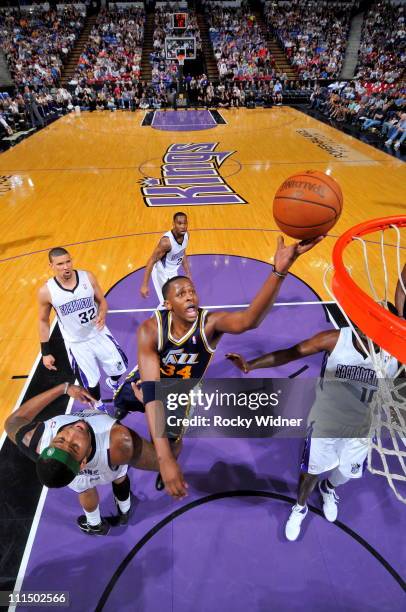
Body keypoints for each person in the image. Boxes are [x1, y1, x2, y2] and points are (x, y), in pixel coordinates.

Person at [117, 235, 323, 500]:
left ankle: (162, 468)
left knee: (173, 442)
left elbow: (249, 321)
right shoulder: (151, 329)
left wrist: (279, 271)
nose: (190, 297)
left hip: (180, 393)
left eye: (192, 291)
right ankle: (126, 414)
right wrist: (162, 452)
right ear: (168, 305)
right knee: (124, 403)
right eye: (181, 294)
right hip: (149, 382)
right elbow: (152, 391)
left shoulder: (210, 324)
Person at [226, 324, 398, 541]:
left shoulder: (395, 354)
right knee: (310, 473)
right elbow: (292, 352)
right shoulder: (334, 340)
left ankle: (328, 488)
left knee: (347, 472)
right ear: (358, 325)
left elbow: (391, 391)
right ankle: (300, 507)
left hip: (361, 427)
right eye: (366, 325)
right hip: (326, 422)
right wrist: (250, 365)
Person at [5, 382, 160, 536]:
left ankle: (95, 524)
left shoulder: (35, 442)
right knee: (119, 477)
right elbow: (161, 461)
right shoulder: (118, 442)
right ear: (83, 463)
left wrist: (63, 388)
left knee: (85, 489)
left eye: (60, 440)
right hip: (109, 459)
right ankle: (125, 511)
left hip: (72, 474)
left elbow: (11, 422)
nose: (71, 433)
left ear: (45, 450)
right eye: (74, 447)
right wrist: (152, 405)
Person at [38, 247, 128, 404]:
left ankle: (113, 382)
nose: (66, 267)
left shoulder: (87, 277)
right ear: (51, 265)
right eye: (60, 264)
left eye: (68, 261)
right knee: (91, 382)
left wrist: (103, 313)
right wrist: (45, 352)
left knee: (121, 367)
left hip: (98, 333)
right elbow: (43, 321)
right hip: (77, 343)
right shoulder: (46, 291)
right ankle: (99, 405)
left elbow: (102, 300)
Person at [140, 212, 191, 307]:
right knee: (168, 303)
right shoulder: (166, 242)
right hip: (161, 273)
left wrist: (188, 273)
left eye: (185, 223)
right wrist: (144, 285)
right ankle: (159, 320)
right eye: (179, 223)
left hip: (172, 272)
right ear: (173, 224)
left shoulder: (186, 235)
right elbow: (151, 261)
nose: (183, 226)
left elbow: (182, 252)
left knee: (175, 300)